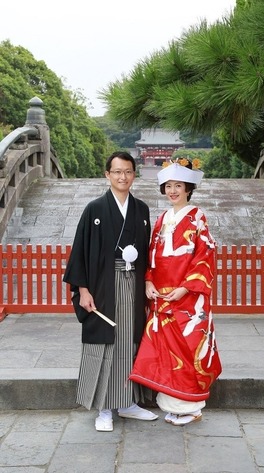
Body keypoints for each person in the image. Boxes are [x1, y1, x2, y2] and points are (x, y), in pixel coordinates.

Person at [63, 151, 158, 432]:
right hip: (103, 285)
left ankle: (127, 403)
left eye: (128, 171)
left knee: (129, 341)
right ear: (107, 175)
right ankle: (104, 409)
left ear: (134, 175)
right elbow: (80, 249)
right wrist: (83, 289)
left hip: (133, 283)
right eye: (116, 172)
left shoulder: (141, 209)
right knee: (104, 343)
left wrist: (149, 282)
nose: (122, 177)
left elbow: (148, 252)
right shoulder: (94, 208)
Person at [129, 160, 222, 426]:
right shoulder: (161, 219)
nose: (172, 191)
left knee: (188, 348)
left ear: (188, 188)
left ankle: (191, 407)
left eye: (178, 186)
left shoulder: (197, 217)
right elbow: (151, 255)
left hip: (187, 298)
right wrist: (148, 280)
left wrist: (185, 288)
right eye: (168, 186)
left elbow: (204, 256)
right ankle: (173, 404)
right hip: (161, 295)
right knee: (165, 351)